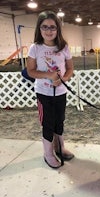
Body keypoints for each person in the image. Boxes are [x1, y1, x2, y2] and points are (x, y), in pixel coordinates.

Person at [27, 10, 74, 169]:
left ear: (58, 29)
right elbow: (30, 71)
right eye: (44, 27)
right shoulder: (35, 48)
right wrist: (49, 75)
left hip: (60, 92)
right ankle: (48, 154)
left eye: (52, 27)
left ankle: (59, 148)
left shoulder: (64, 47)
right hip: (43, 93)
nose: (49, 31)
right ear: (39, 29)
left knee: (59, 120)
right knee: (47, 123)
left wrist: (62, 79)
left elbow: (70, 69)